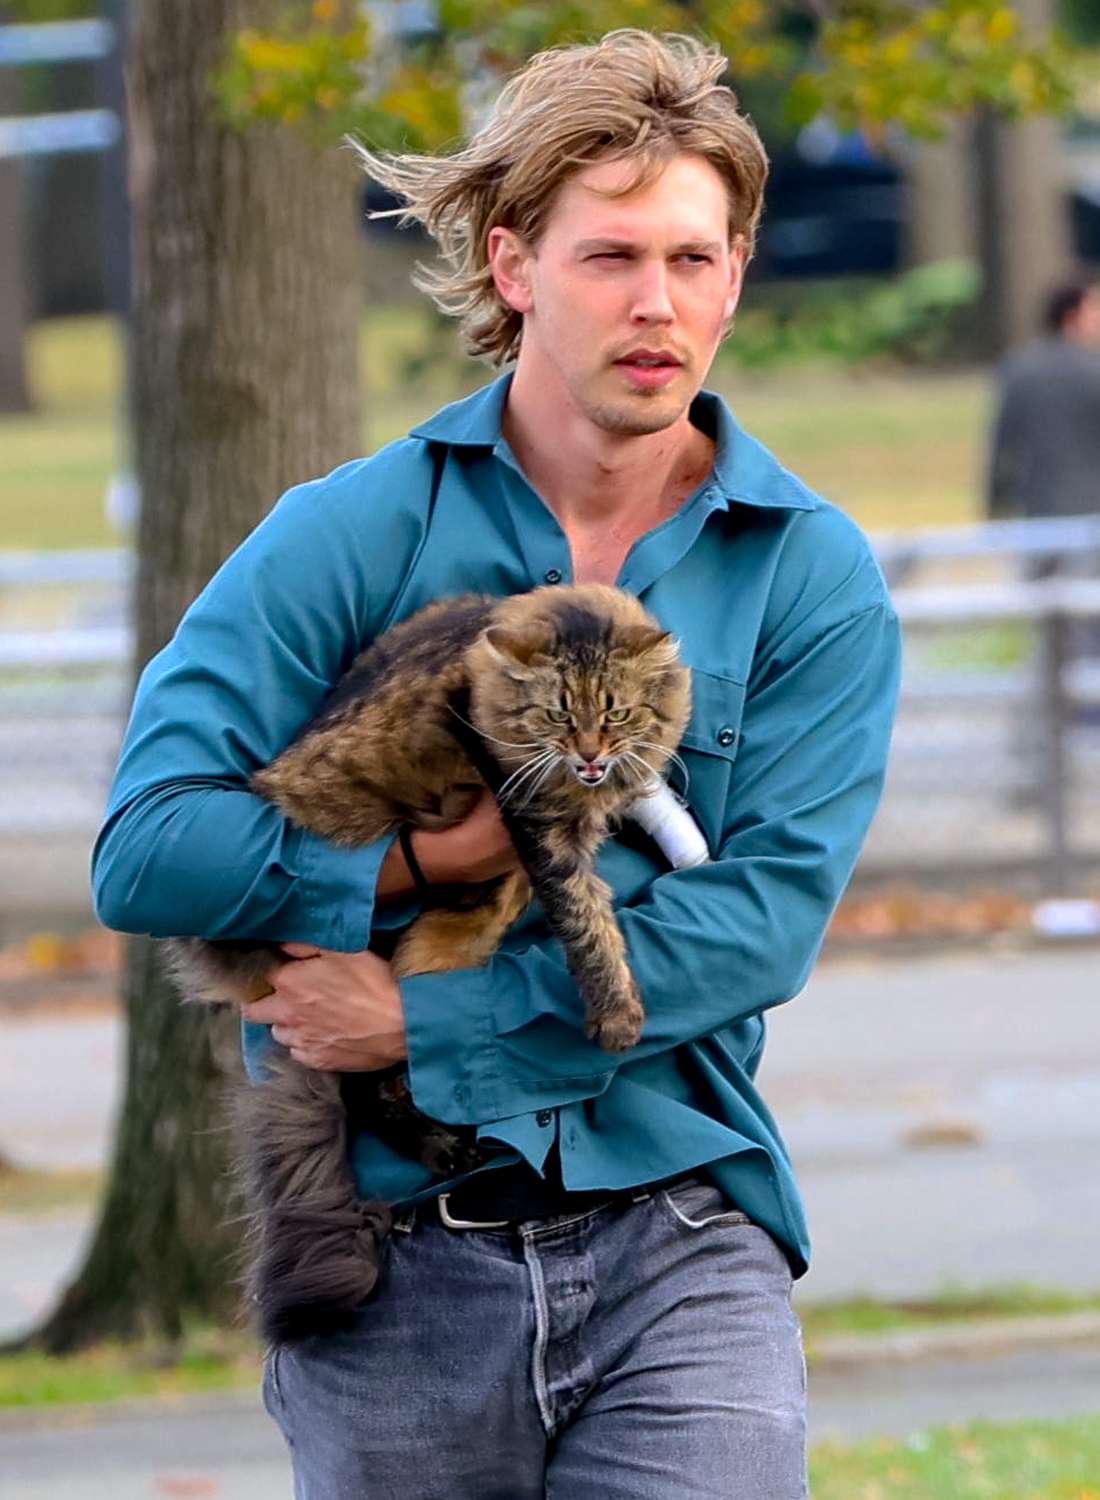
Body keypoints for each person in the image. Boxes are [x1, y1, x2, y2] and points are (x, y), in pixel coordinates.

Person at [92, 30, 900, 1500]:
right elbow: (147, 850)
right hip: (388, 1253)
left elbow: (762, 922)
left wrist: (423, 1015)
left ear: (737, 270)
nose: (657, 304)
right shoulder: (348, 531)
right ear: (515, 264)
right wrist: (413, 867)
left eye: (693, 258)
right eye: (610, 258)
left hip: (681, 1223)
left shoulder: (808, 571)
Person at [987, 277, 1100, 522]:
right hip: (1092, 514)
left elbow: (1002, 443)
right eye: (1093, 309)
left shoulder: (1018, 369)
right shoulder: (1095, 371)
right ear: (1072, 316)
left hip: (1036, 512)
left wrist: (995, 503)